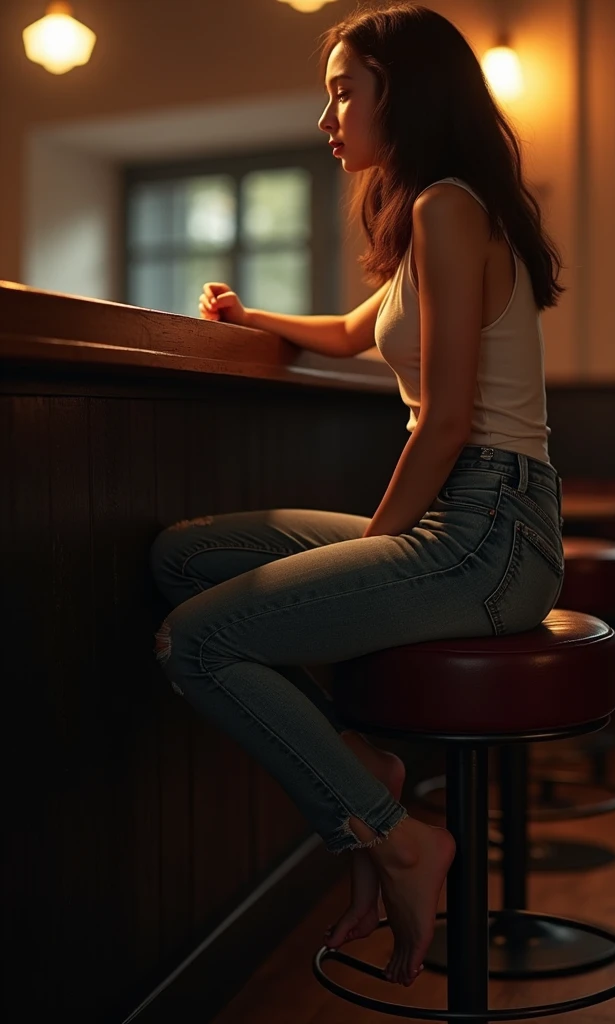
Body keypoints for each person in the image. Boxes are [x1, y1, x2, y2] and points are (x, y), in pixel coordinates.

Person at [149, 2, 567, 989]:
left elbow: (450, 420)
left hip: (490, 529)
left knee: (196, 640)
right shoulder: (431, 209)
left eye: (343, 91)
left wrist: (377, 546)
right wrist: (254, 318)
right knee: (180, 557)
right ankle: (366, 769)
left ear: (404, 92)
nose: (326, 116)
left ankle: (394, 833)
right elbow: (349, 328)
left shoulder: (448, 207)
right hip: (465, 524)